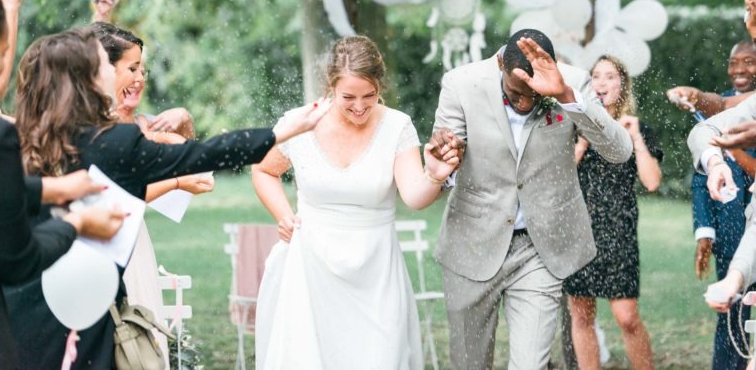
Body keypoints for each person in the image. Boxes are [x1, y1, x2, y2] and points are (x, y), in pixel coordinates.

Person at [4, 27, 329, 369]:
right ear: (85, 80)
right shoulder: (114, 144)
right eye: (102, 65)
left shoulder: (18, 141)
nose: (112, 73)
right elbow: (205, 154)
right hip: (87, 323)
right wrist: (282, 132)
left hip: (20, 312)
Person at [251, 35, 459, 369]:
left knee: (382, 358)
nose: (360, 106)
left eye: (369, 96)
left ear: (380, 86)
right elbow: (263, 170)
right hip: (310, 267)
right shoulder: (301, 123)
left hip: (377, 272)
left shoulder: (397, 125)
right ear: (330, 87)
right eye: (348, 96)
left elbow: (414, 197)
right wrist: (284, 215)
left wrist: (435, 174)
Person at [429, 29, 632, 370]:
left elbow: (619, 151)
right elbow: (443, 155)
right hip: (472, 241)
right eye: (515, 94)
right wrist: (446, 160)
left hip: (540, 248)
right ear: (499, 66)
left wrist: (566, 97)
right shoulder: (461, 83)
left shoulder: (574, 82)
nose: (525, 103)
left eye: (533, 97)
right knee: (468, 362)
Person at [0, 0, 125, 369]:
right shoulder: (0, 136)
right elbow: (16, 260)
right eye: (2, 49)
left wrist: (50, 189)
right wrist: (76, 222)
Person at [93, 22, 213, 366]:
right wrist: (173, 184)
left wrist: (185, 122)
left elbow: (201, 175)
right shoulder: (87, 127)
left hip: (136, 248)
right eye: (132, 68)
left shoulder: (146, 126)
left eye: (143, 69)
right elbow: (109, 197)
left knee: (144, 350)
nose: (140, 78)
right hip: (100, 246)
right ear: (102, 69)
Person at [563, 56, 662, 370]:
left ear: (622, 85)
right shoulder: (573, 126)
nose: (602, 83)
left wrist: (635, 138)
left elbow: (652, 182)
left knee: (627, 317)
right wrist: (580, 144)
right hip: (578, 230)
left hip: (618, 231)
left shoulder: (636, 128)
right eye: (596, 76)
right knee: (581, 315)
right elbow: (558, 180)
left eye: (610, 77)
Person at [690, 41, 756, 370]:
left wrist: (734, 151)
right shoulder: (729, 110)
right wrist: (705, 231)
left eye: (749, 61)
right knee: (731, 315)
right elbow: (701, 172)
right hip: (733, 229)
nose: (739, 69)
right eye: (733, 62)